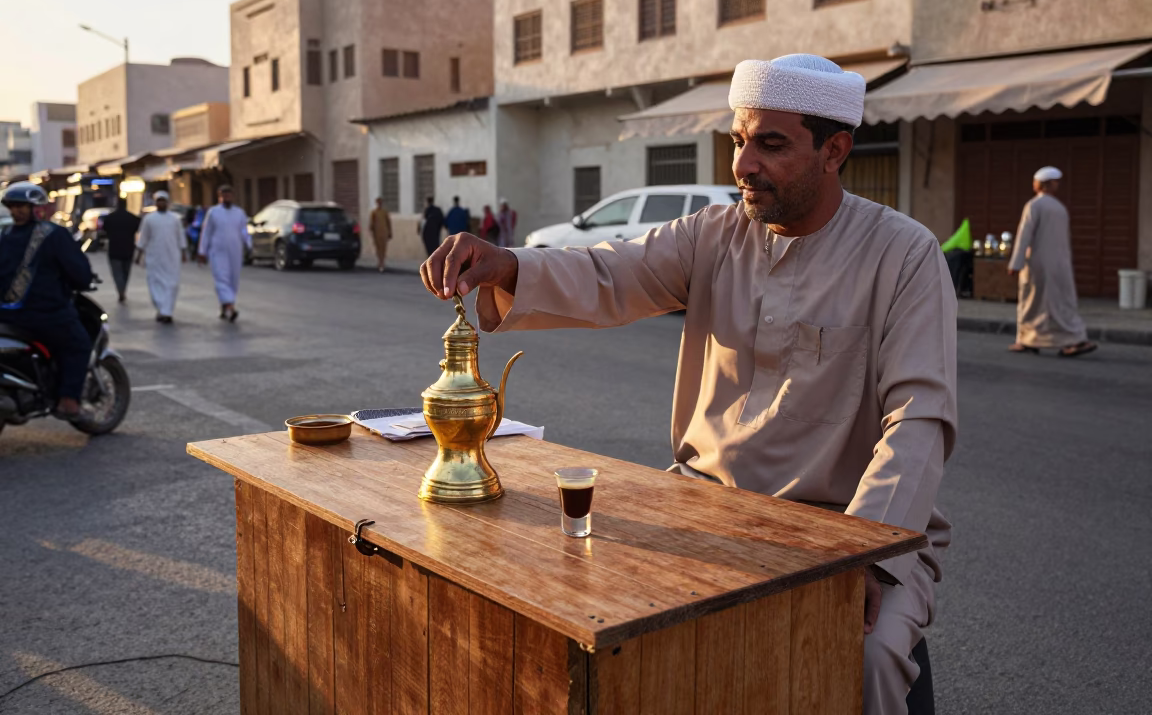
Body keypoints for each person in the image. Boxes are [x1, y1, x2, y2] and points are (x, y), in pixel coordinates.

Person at [422, 55, 957, 715]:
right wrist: (507, 264)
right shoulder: (714, 236)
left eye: (771, 144)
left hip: (845, 531)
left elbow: (919, 416)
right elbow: (610, 276)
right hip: (706, 508)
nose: (743, 165)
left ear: (835, 150)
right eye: (738, 141)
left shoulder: (903, 255)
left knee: (863, 658)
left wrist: (869, 555)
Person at [0, 181, 93, 424]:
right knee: (79, 344)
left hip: (5, 316)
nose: (18, 210)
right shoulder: (53, 234)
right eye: (16, 206)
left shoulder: (3, 235)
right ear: (39, 208)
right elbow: (80, 274)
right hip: (44, 315)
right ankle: (69, 401)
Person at [1008, 166, 1096, 357]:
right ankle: (1063, 339)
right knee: (1061, 304)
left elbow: (1024, 236)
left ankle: (1030, 340)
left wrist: (1016, 263)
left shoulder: (1034, 206)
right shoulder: (1060, 208)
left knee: (1031, 303)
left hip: (1038, 265)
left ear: (1038, 184)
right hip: (1060, 265)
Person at [197, 185, 250, 322]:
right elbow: (206, 232)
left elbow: (244, 230)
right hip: (217, 251)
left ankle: (225, 305)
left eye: (228, 194)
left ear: (233, 196)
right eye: (223, 195)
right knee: (221, 278)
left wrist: (249, 244)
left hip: (235, 251)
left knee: (233, 280)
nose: (226, 197)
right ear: (219, 196)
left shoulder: (239, 213)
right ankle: (231, 307)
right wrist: (202, 251)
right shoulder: (213, 212)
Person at [135, 191, 187, 324]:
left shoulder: (175, 219)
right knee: (155, 283)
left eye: (164, 201)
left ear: (167, 203)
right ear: (156, 203)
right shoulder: (149, 219)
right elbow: (143, 238)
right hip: (155, 257)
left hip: (172, 257)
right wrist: (139, 254)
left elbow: (180, 237)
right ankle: (163, 309)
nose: (161, 203)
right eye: (159, 201)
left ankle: (166, 311)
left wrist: (183, 253)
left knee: (172, 284)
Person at [101, 197, 140, 303]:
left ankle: (120, 290)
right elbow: (137, 228)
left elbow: (104, 230)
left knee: (117, 272)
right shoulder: (133, 218)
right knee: (126, 272)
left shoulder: (110, 218)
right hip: (128, 248)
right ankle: (123, 290)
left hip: (114, 249)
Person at [369, 197, 393, 273]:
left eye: (380, 202)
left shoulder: (385, 212)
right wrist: (372, 231)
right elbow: (371, 223)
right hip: (377, 233)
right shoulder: (374, 212)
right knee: (378, 248)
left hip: (384, 233)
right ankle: (380, 262)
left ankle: (382, 263)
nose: (379, 204)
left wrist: (390, 232)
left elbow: (388, 222)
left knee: (383, 248)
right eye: (378, 202)